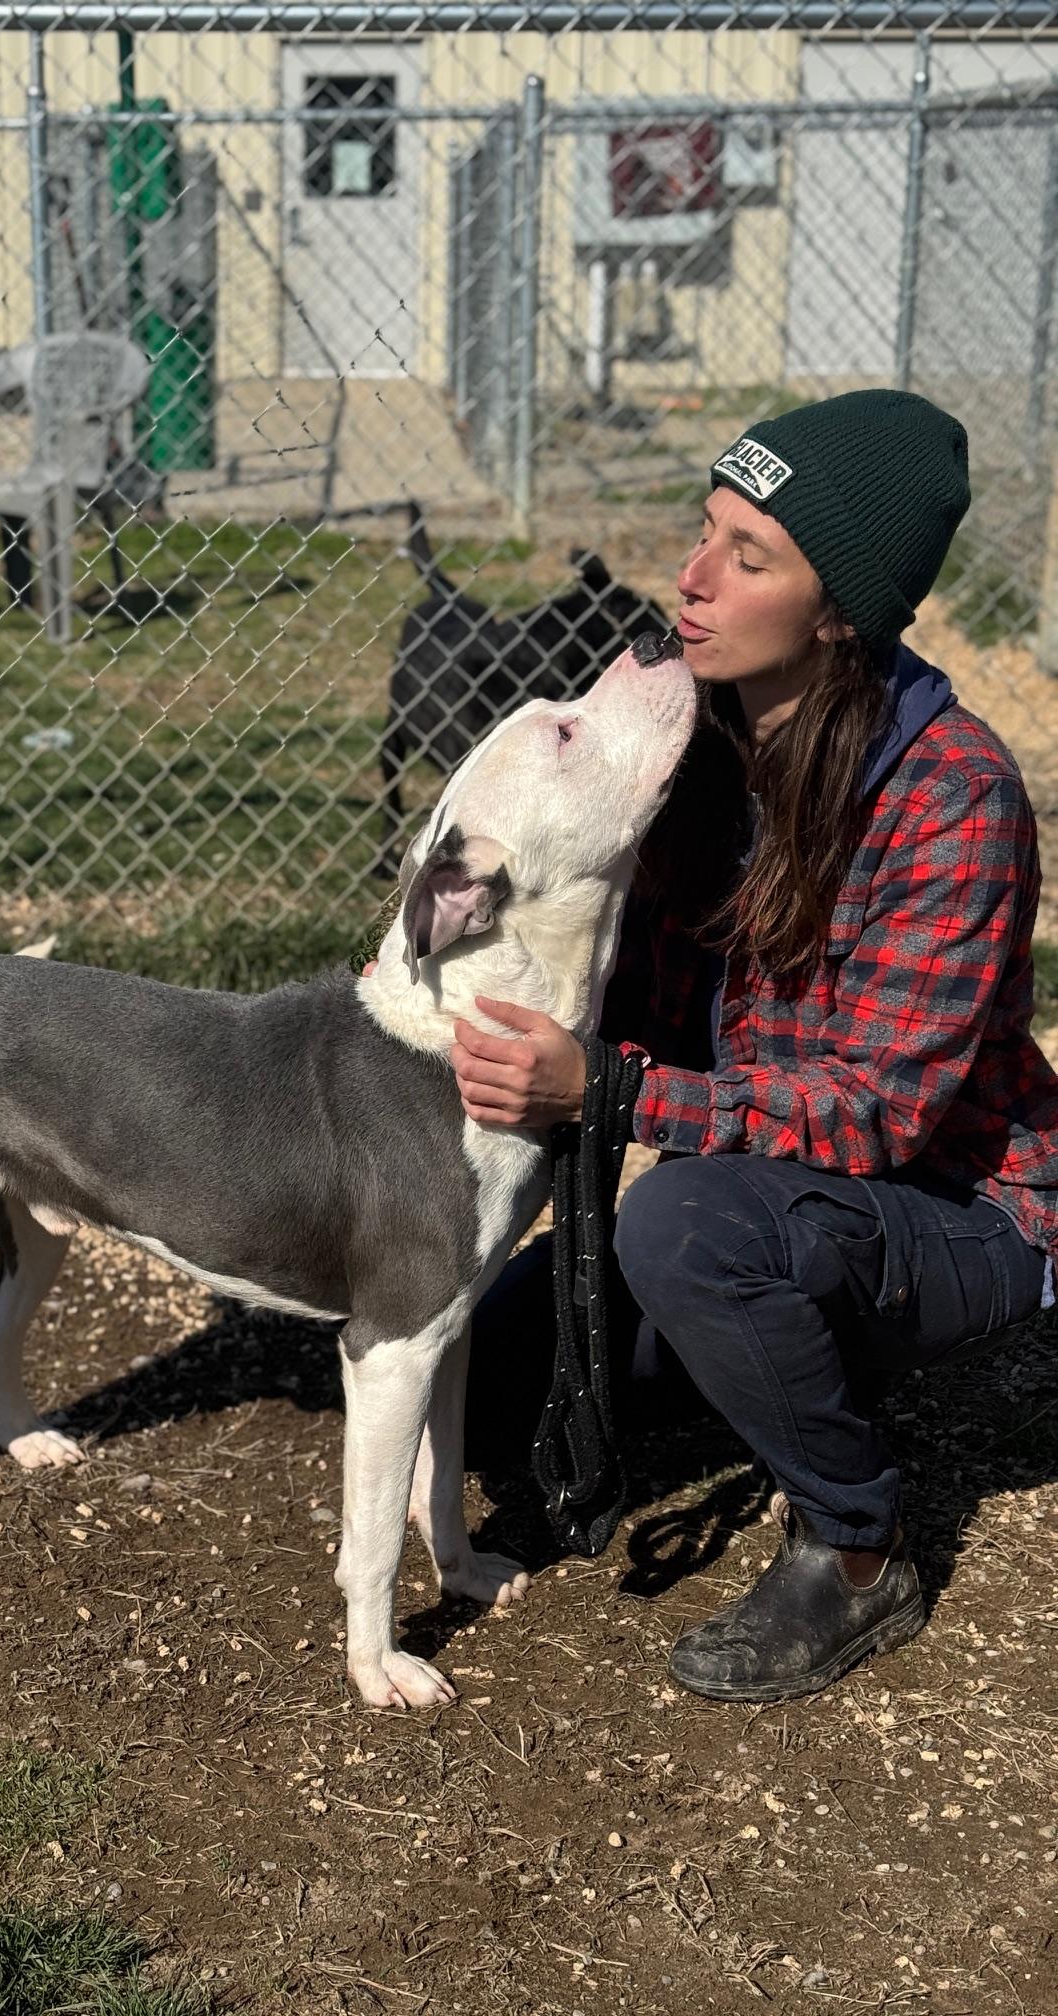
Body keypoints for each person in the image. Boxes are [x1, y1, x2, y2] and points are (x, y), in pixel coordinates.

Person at [432, 389, 1058, 1702]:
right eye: (705, 529)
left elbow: (878, 1115)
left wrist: (605, 1090)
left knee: (685, 1230)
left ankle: (858, 1545)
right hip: (767, 1182)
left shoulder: (954, 796)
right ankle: (758, 1360)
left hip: (959, 1208)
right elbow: (633, 993)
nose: (694, 576)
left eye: (749, 556)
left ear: (838, 614)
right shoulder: (691, 749)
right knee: (483, 1375)